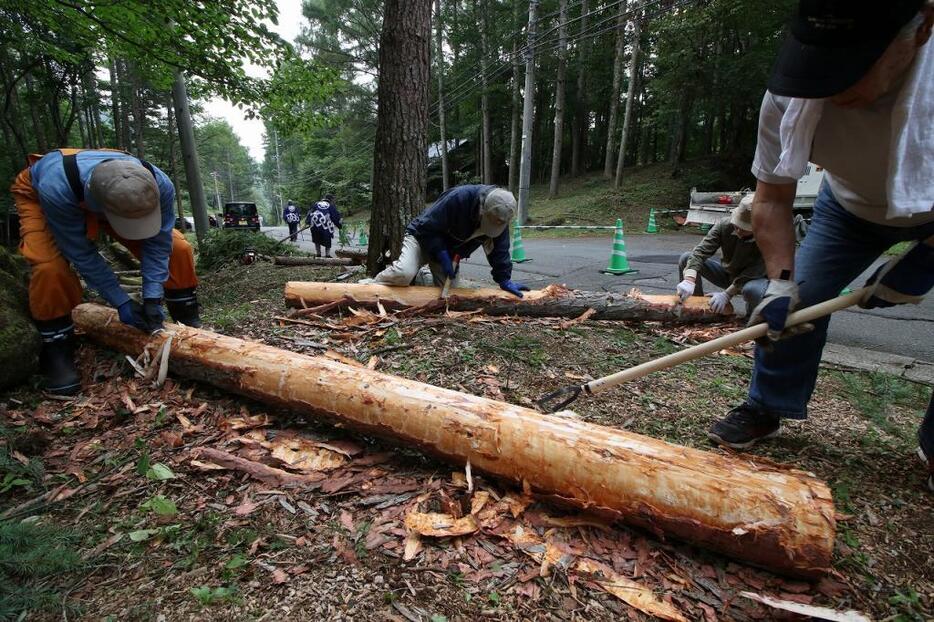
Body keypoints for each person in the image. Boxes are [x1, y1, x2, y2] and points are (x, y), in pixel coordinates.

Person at [705, 1, 934, 492]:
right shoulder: (788, 96)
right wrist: (781, 284)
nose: (831, 82)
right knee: (799, 303)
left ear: (922, 28)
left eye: (855, 62)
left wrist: (922, 265)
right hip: (847, 207)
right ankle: (767, 405)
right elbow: (771, 200)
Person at [10, 148, 201, 396]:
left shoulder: (160, 183)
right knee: (50, 268)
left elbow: (159, 242)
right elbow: (79, 252)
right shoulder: (54, 187)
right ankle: (57, 349)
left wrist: (152, 296)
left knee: (179, 249)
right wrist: (120, 301)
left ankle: (187, 320)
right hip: (49, 196)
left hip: (116, 199)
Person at [365, 185, 528, 297]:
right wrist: (442, 254)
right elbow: (427, 227)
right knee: (404, 273)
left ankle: (421, 277)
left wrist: (504, 278)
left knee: (448, 292)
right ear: (483, 208)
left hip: (447, 251)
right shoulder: (459, 198)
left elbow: (499, 251)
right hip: (421, 237)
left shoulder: (501, 213)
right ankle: (368, 286)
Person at [676, 194, 767, 314]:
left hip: (754, 280)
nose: (738, 230)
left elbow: (755, 272)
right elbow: (700, 252)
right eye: (737, 225)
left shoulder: (768, 238)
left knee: (753, 290)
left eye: (744, 228)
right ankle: (695, 308)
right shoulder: (725, 225)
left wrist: (726, 294)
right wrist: (689, 279)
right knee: (686, 258)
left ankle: (751, 320)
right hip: (728, 274)